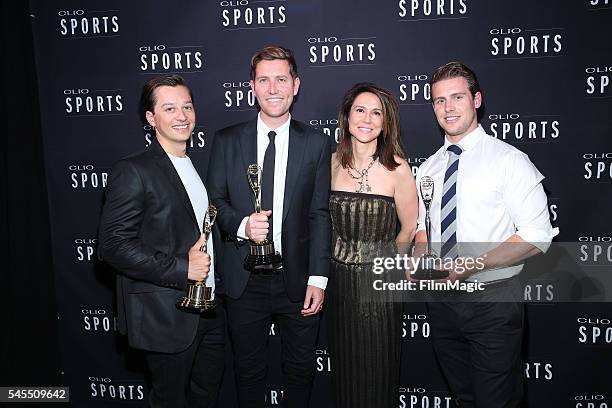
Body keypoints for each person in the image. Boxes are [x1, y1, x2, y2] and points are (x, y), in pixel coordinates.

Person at [415, 62, 557, 407]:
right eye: (439, 101)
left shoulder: (509, 160)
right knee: (463, 398)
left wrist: (471, 265)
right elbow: (424, 228)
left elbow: (537, 235)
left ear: (476, 100)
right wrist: (419, 256)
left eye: (457, 97)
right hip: (442, 304)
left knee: (498, 402)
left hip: (493, 299)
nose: (448, 108)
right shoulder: (429, 167)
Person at [207, 46, 331, 408]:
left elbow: (319, 214)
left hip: (297, 281)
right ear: (252, 87)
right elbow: (216, 202)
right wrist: (244, 225)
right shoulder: (227, 141)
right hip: (244, 279)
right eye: (264, 80)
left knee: (300, 371)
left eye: (281, 79)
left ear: (296, 85)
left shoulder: (317, 144)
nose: (273, 88)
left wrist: (318, 279)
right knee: (247, 373)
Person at [98, 75, 225, 408]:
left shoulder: (195, 166)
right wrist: (183, 268)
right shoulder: (133, 170)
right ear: (151, 118)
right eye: (169, 108)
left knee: (206, 397)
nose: (181, 115)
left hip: (209, 310)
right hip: (166, 316)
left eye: (186, 106)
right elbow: (112, 245)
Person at [327, 83, 418, 408]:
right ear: (347, 117)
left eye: (376, 112)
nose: (367, 119)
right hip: (338, 286)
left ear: (385, 121)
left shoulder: (398, 167)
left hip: (380, 286)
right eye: (360, 110)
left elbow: (408, 228)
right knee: (346, 372)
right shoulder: (330, 163)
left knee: (378, 370)